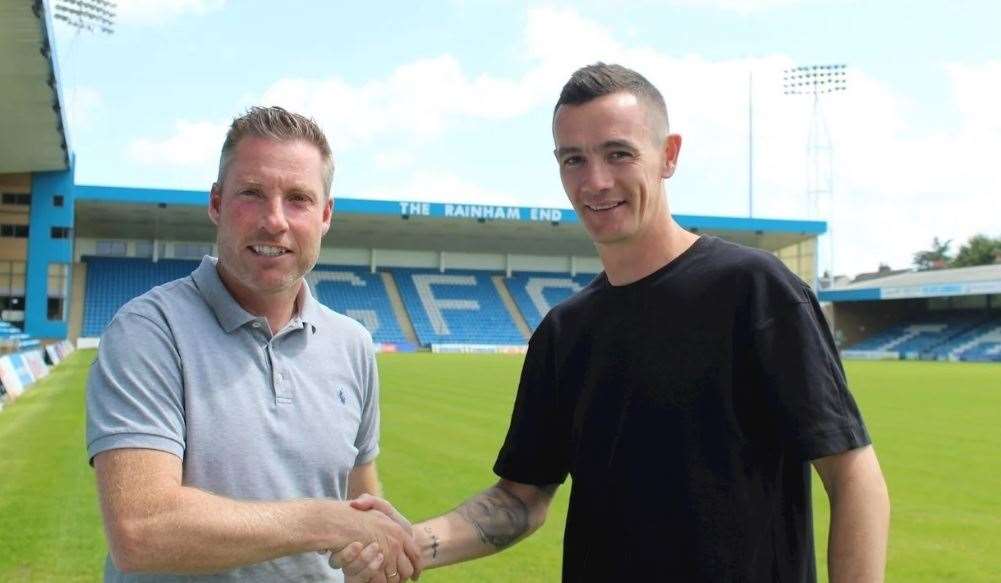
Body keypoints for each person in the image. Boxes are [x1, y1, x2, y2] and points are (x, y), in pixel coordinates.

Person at [334, 63, 890, 582]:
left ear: (668, 155)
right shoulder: (565, 331)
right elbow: (520, 499)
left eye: (618, 154)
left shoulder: (754, 289)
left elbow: (853, 477)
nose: (594, 181)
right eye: (572, 159)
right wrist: (408, 543)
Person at [86, 106, 420, 583]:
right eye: (252, 194)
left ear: (325, 216)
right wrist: (323, 521)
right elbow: (142, 529)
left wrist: (371, 552)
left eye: (299, 199)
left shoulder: (352, 344)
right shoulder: (149, 330)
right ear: (217, 204)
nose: (274, 221)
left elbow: (359, 498)